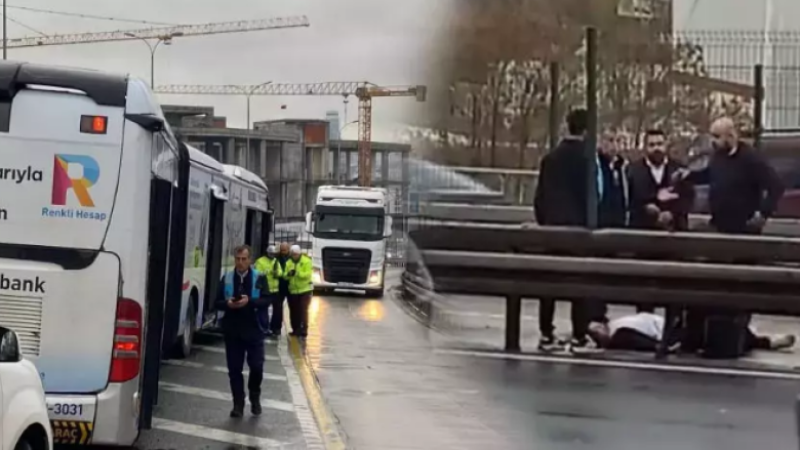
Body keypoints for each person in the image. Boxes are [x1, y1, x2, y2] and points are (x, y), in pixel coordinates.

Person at [677, 117, 785, 357]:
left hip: (743, 231)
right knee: (718, 283)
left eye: (717, 137)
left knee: (741, 284)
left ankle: (738, 332)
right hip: (720, 229)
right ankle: (718, 332)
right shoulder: (719, 158)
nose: (714, 142)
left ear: (730, 135)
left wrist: (763, 213)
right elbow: (709, 175)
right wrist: (689, 176)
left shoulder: (751, 159)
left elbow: (776, 185)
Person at [533, 108, 594, 352]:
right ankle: (579, 335)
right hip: (577, 228)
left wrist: (544, 221)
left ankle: (546, 333)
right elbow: (590, 196)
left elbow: (540, 197)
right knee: (578, 281)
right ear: (588, 130)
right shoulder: (587, 160)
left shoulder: (551, 158)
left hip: (552, 226)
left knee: (550, 282)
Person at [215, 245, 270, 417]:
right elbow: (216, 302)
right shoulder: (228, 278)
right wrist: (228, 304)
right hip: (233, 331)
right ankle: (238, 403)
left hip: (254, 330)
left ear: (250, 260)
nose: (240, 262)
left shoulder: (260, 278)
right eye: (238, 259)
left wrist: (250, 301)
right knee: (234, 369)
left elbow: (267, 301)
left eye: (244, 259)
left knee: (257, 367)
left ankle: (255, 396)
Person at [587, 312, 795, 354]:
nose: (597, 330)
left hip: (670, 325)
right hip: (672, 333)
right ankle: (763, 341)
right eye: (595, 333)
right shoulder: (618, 334)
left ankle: (760, 340)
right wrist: (662, 348)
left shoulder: (616, 322)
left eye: (596, 327)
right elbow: (636, 340)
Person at [628, 129, 694, 233]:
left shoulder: (679, 169)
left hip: (675, 233)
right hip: (642, 233)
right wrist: (645, 208)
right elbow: (630, 199)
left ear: (666, 145)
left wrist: (672, 213)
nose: (656, 148)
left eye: (660, 144)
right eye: (652, 145)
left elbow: (688, 197)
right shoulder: (632, 171)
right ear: (645, 147)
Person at [597, 130, 629, 229]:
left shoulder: (624, 166)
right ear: (601, 142)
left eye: (618, 141)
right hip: (600, 224)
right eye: (610, 140)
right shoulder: (595, 165)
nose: (614, 145)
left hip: (620, 224)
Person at [253, 245, 284, 339]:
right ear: (267, 253)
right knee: (263, 310)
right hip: (265, 290)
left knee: (277, 310)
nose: (273, 256)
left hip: (275, 290)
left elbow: (281, 272)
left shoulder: (275, 261)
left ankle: (275, 328)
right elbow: (257, 272)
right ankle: (263, 328)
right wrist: (268, 271)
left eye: (274, 254)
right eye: (271, 254)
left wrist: (276, 273)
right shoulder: (260, 261)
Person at [285, 244, 313, 337]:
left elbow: (307, 274)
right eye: (292, 254)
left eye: (296, 254)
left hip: (304, 290)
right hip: (293, 291)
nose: (294, 256)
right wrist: (288, 274)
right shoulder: (289, 262)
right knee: (294, 311)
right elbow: (285, 276)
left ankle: (304, 329)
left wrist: (297, 273)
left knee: (303, 310)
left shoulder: (306, 261)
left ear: (299, 253)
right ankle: (295, 329)